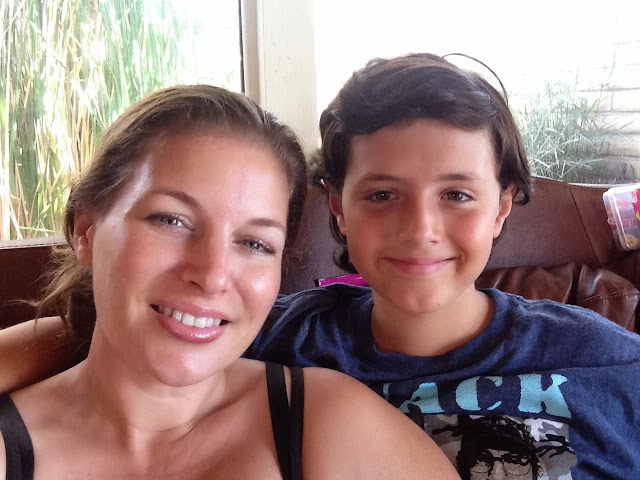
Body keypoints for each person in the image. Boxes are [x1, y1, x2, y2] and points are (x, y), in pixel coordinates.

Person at [2, 54, 640, 478]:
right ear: (337, 207)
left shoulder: (607, 364)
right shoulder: (280, 336)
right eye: (382, 195)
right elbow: (119, 337)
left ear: (502, 207)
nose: (420, 229)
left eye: (457, 194)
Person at [0, 84, 459, 479]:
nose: (212, 275)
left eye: (255, 243)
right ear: (86, 231)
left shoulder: (335, 428)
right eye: (171, 220)